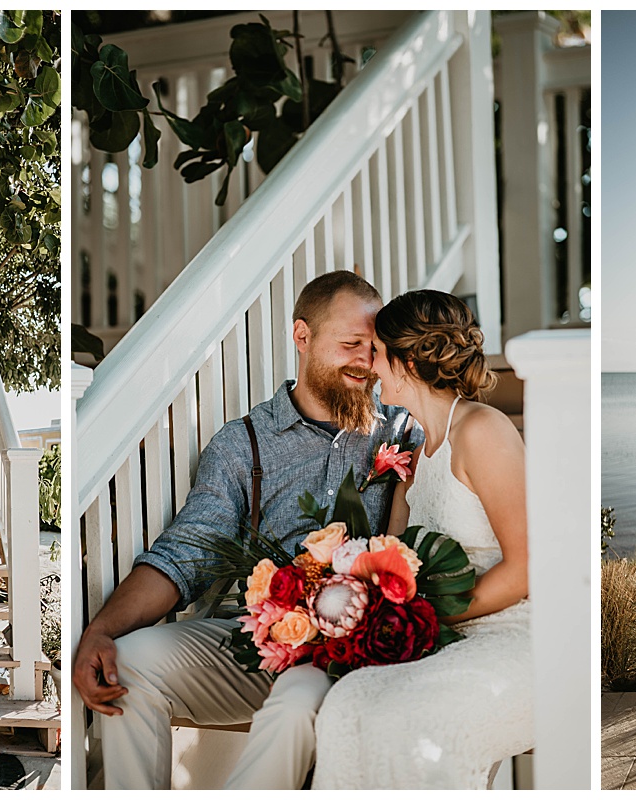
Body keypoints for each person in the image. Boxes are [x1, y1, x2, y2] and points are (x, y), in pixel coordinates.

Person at [71, 271, 414, 790]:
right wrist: (101, 631)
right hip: (253, 640)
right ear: (302, 337)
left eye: (374, 348)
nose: (366, 363)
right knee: (133, 661)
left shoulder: (404, 435)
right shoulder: (243, 444)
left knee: (299, 700)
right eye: (350, 345)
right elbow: (188, 550)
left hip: (354, 650)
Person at [312, 289, 533, 789]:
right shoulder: (414, 454)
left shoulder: (483, 431)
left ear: (407, 362)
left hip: (513, 640)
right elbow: (391, 558)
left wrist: (425, 616)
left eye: (378, 353)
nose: (370, 367)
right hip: (442, 640)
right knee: (347, 705)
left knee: (411, 726)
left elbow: (525, 569)